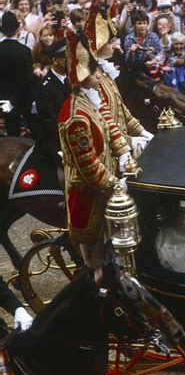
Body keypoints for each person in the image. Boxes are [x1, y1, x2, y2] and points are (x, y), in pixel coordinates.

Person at [58, 30, 132, 269]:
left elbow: (109, 122)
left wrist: (123, 151)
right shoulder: (75, 116)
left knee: (105, 247)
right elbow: (88, 165)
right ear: (82, 77)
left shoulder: (89, 99)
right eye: (93, 72)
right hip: (87, 193)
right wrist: (114, 184)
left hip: (102, 184)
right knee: (93, 259)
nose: (99, 75)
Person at [85, 3, 153, 157]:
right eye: (110, 42)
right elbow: (103, 120)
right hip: (107, 149)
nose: (115, 46)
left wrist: (141, 131)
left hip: (120, 141)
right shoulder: (91, 78)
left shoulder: (105, 71)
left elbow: (121, 109)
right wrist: (127, 144)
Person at [35, 38, 71, 165]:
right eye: (67, 58)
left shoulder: (70, 80)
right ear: (55, 60)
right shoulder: (45, 87)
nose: (72, 61)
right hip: (53, 142)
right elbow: (49, 122)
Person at [0, 11, 34, 137]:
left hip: (3, 99)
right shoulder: (24, 51)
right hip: (22, 100)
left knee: (10, 136)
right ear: (17, 28)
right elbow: (28, 80)